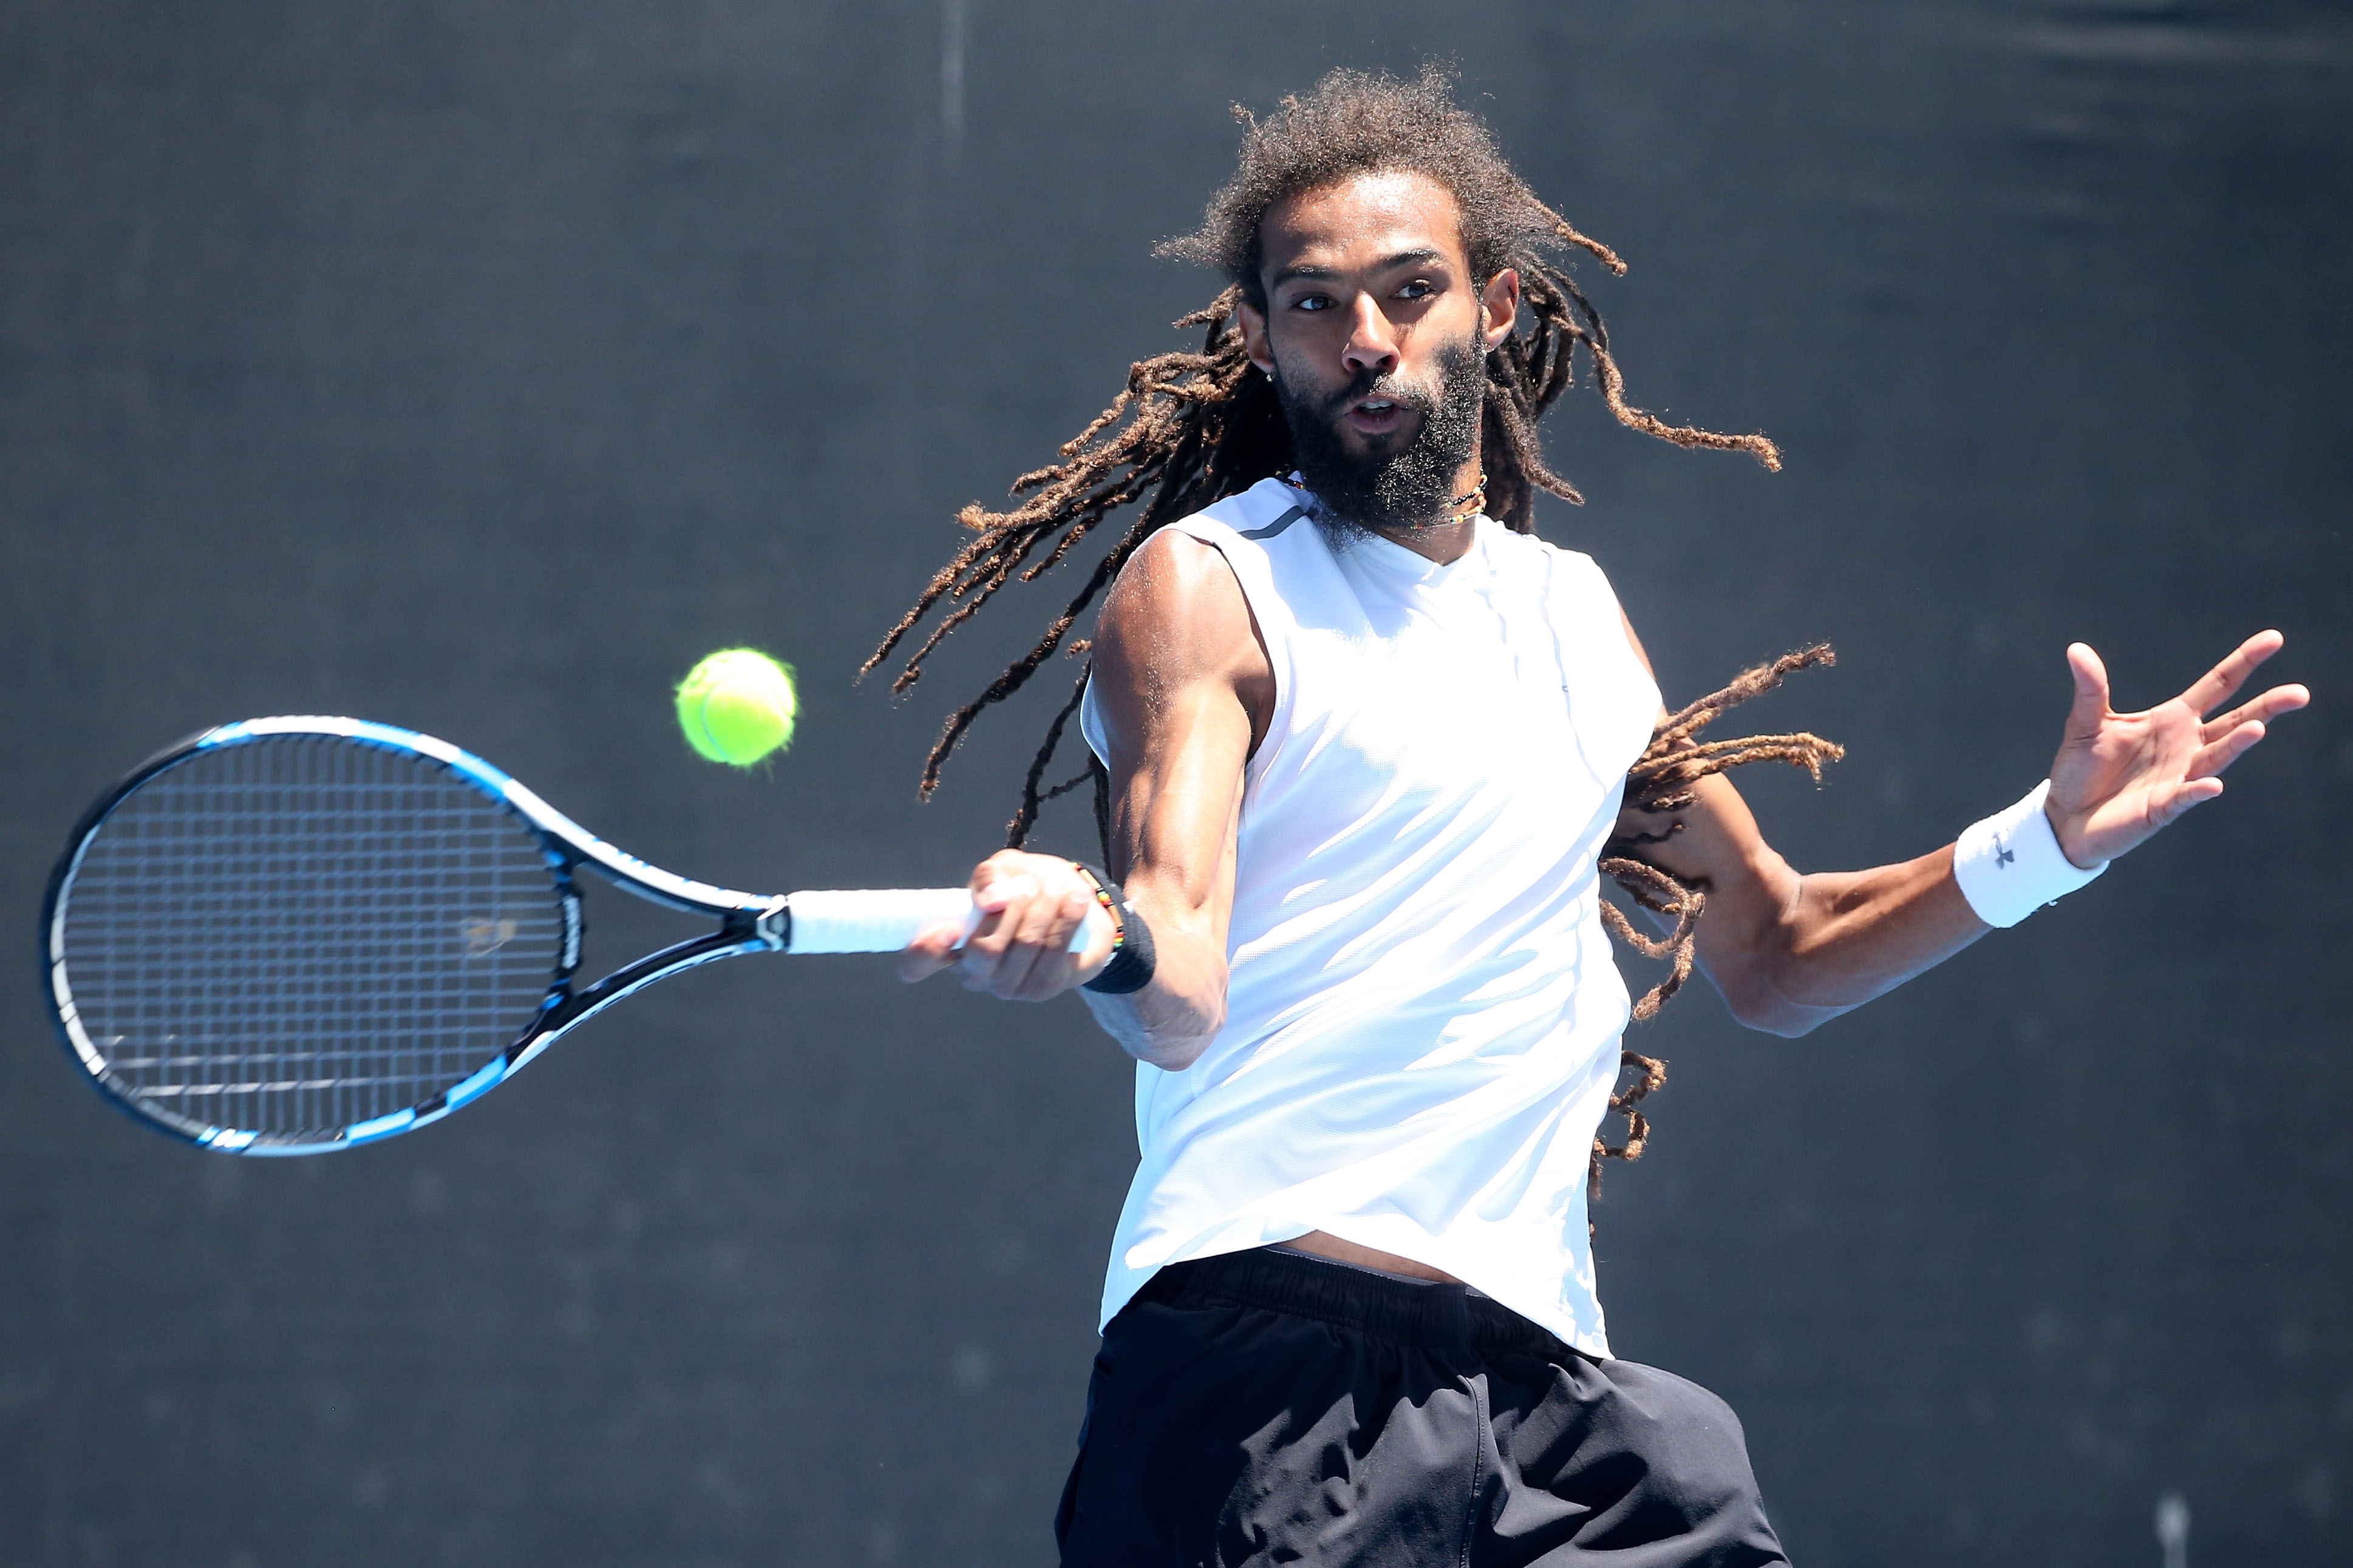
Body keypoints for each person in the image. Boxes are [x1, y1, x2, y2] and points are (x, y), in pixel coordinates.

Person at [874, 67, 2307, 1567]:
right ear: (1256, 335)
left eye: (1409, 289)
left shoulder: (1570, 617)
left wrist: (2051, 841)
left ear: (1492, 307)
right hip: (1269, 1366)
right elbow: (1178, 970)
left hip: (1560, 1397)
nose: (1367, 339)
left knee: (1698, 1466)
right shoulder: (1208, 587)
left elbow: (1783, 948)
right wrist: (1099, 934)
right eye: (1313, 304)